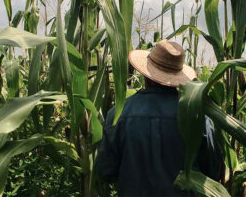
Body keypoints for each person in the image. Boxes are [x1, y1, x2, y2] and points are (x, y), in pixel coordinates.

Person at [94, 39, 222, 196]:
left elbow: (105, 171)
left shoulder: (119, 114)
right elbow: (213, 173)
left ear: (146, 74)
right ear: (178, 78)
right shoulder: (197, 117)